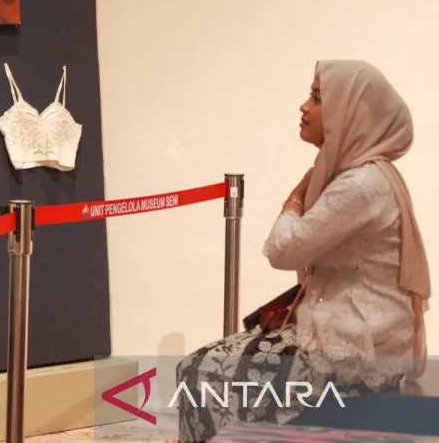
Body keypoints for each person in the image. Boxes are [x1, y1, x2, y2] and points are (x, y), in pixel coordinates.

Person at [176, 60, 431, 442]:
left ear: (350, 112)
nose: (304, 107)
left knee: (202, 373)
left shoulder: (360, 184)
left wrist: (293, 199)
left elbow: (284, 251)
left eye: (317, 98)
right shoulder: (361, 173)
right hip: (348, 327)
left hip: (356, 343)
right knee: (207, 366)